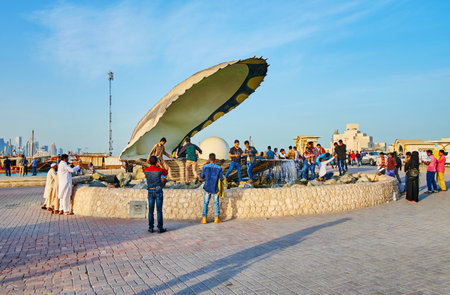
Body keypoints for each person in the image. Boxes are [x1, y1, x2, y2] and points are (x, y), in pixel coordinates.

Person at [144, 155, 168, 233]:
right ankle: (160, 228)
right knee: (159, 210)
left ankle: (150, 227)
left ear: (149, 162)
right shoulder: (160, 170)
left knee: (150, 210)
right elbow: (166, 172)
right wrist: (160, 164)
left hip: (150, 191)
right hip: (158, 190)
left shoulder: (146, 170)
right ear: (156, 162)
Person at [200, 153, 224, 224]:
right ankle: (216, 218)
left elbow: (201, 176)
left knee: (205, 203)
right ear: (215, 159)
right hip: (215, 188)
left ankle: (204, 219)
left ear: (209, 159)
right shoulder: (219, 168)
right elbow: (221, 178)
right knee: (216, 203)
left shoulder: (205, 167)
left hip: (207, 187)